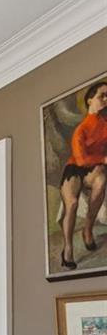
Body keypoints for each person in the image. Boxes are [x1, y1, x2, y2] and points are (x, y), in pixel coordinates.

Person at [60, 81, 107, 269]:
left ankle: (87, 228)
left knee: (101, 180)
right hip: (75, 168)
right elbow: (80, 160)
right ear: (89, 100)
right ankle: (68, 247)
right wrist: (103, 159)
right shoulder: (81, 129)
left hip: (94, 169)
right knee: (71, 203)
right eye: (101, 96)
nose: (106, 100)